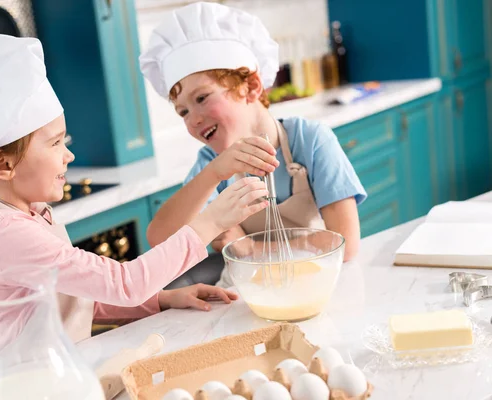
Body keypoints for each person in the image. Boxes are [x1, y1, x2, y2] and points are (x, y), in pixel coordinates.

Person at [0, 34, 269, 384]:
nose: (68, 155)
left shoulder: (27, 213)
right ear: (4, 167)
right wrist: (210, 222)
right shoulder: (6, 232)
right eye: (55, 143)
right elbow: (125, 284)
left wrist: (161, 300)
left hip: (55, 377)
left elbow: (75, 299)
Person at [139, 2, 367, 288]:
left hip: (315, 285)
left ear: (252, 87)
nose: (193, 119)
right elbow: (160, 239)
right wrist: (213, 174)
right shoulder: (211, 164)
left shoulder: (310, 140)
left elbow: (346, 244)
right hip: (247, 292)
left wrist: (251, 248)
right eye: (182, 112)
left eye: (202, 98)